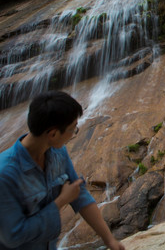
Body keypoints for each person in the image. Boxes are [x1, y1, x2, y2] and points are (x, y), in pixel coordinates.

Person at [0, 91, 125, 250]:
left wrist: (110, 240)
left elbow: (79, 194)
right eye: (73, 129)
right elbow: (13, 236)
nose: (74, 133)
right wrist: (60, 202)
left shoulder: (58, 152)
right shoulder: (5, 174)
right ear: (52, 134)